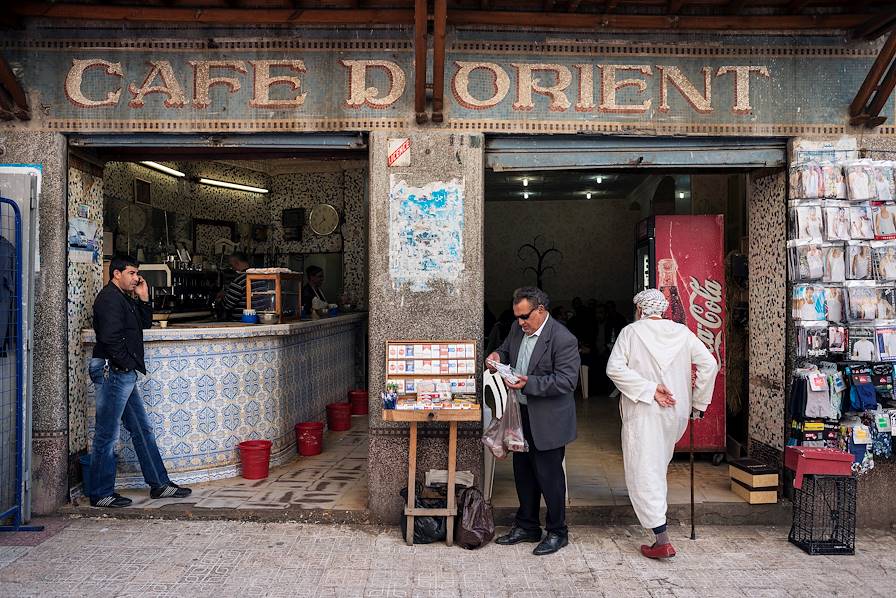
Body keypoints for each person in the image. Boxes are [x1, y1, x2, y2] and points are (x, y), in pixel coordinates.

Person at [605, 289, 717, 559]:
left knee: (645, 470)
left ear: (641, 310)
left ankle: (661, 539)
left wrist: (649, 389)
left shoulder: (631, 333)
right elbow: (710, 364)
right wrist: (698, 404)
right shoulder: (681, 333)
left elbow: (614, 369)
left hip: (645, 412)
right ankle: (658, 528)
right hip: (675, 412)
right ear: (663, 310)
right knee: (657, 466)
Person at [89, 256, 192, 508]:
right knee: (107, 435)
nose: (136, 278)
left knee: (142, 430)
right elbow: (110, 338)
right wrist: (125, 364)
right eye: (132, 273)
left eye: (137, 274)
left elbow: (143, 324)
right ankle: (101, 493)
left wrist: (144, 298)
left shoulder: (124, 297)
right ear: (116, 274)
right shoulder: (109, 299)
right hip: (113, 372)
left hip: (123, 372)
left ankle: (159, 484)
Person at [486, 287, 580, 556]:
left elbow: (567, 380)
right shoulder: (518, 329)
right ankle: (527, 525)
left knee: (549, 476)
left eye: (525, 316)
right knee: (523, 472)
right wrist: (497, 356)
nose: (520, 322)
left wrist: (530, 383)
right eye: (517, 317)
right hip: (520, 413)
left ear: (541, 310)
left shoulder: (563, 339)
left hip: (549, 418)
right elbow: (505, 349)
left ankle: (557, 531)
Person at [221, 252, 269, 319]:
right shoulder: (260, 278)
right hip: (260, 320)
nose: (232, 268)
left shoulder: (238, 282)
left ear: (236, 263)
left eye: (231, 265)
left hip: (242, 322)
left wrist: (222, 297)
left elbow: (227, 305)